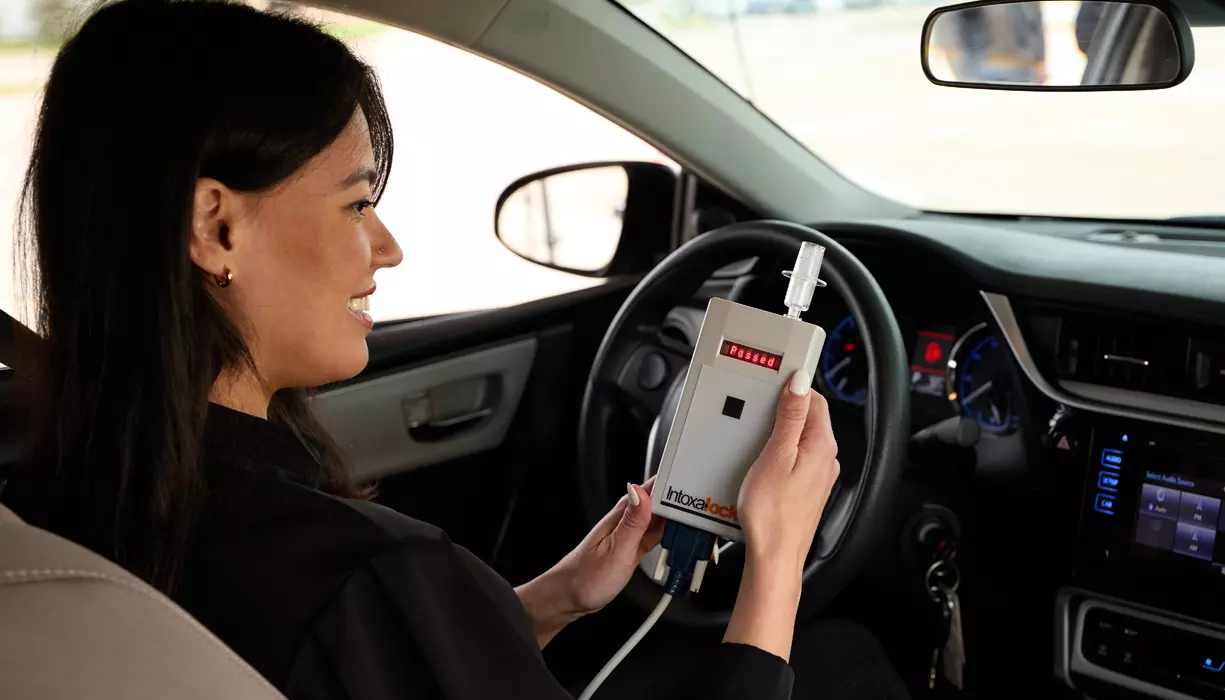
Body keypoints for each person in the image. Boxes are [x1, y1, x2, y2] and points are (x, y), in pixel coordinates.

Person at [3, 2, 908, 699]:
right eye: (357, 204)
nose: (386, 247)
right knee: (843, 659)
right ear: (215, 226)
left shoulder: (50, 501)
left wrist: (549, 602)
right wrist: (779, 558)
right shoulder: (364, 576)